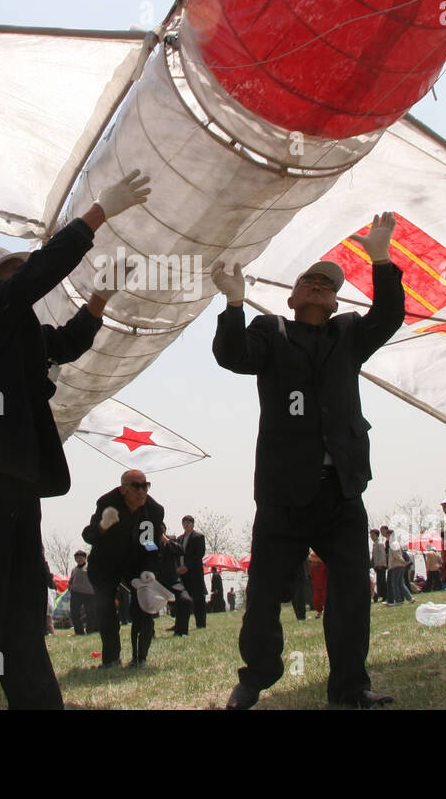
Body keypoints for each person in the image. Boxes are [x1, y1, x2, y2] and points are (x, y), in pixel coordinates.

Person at [0, 169, 149, 709]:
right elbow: (35, 279)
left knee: (23, 600)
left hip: (13, 479)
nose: (21, 279)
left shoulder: (18, 335)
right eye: (11, 274)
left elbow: (67, 343)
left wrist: (99, 299)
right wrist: (97, 213)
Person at [212, 212, 403, 710]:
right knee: (264, 594)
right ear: (292, 297)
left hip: (341, 488)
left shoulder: (348, 336)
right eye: (309, 281)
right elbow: (233, 357)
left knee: (350, 595)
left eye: (328, 283)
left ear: (337, 300)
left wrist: (381, 260)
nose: (319, 285)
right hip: (283, 493)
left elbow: (389, 317)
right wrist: (234, 301)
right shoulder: (270, 331)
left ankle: (350, 689)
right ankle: (257, 674)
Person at [81, 470, 169, 669]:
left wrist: (148, 570)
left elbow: (151, 546)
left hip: (136, 563)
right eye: (135, 486)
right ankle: (111, 659)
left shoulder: (153, 511)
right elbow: (89, 535)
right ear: (123, 490)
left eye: (145, 485)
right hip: (106, 564)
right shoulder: (107, 503)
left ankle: (140, 658)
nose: (141, 491)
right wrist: (104, 525)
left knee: (143, 606)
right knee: (105, 608)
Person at [167, 516, 207, 634]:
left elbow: (199, 554)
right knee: (182, 600)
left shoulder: (198, 537)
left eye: (189, 522)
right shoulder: (179, 539)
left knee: (199, 598)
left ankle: (201, 623)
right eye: (184, 522)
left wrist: (187, 566)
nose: (186, 524)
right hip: (182, 574)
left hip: (194, 573)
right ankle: (179, 624)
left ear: (193, 524)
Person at [68, 551, 96, 636]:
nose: (79, 559)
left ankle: (90, 630)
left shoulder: (89, 567)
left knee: (90, 613)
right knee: (75, 613)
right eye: (77, 557)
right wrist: (69, 587)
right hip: (76, 593)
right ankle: (79, 631)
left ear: (85, 558)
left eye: (81, 557)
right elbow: (71, 580)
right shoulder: (74, 570)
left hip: (89, 593)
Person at [370, 529, 388, 603]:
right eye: (371, 535)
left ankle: (385, 596)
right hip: (377, 566)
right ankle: (382, 596)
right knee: (379, 581)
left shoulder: (380, 544)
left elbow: (382, 555)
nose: (371, 536)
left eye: (373, 535)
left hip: (381, 566)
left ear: (376, 535)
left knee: (382, 581)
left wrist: (381, 564)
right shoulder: (375, 544)